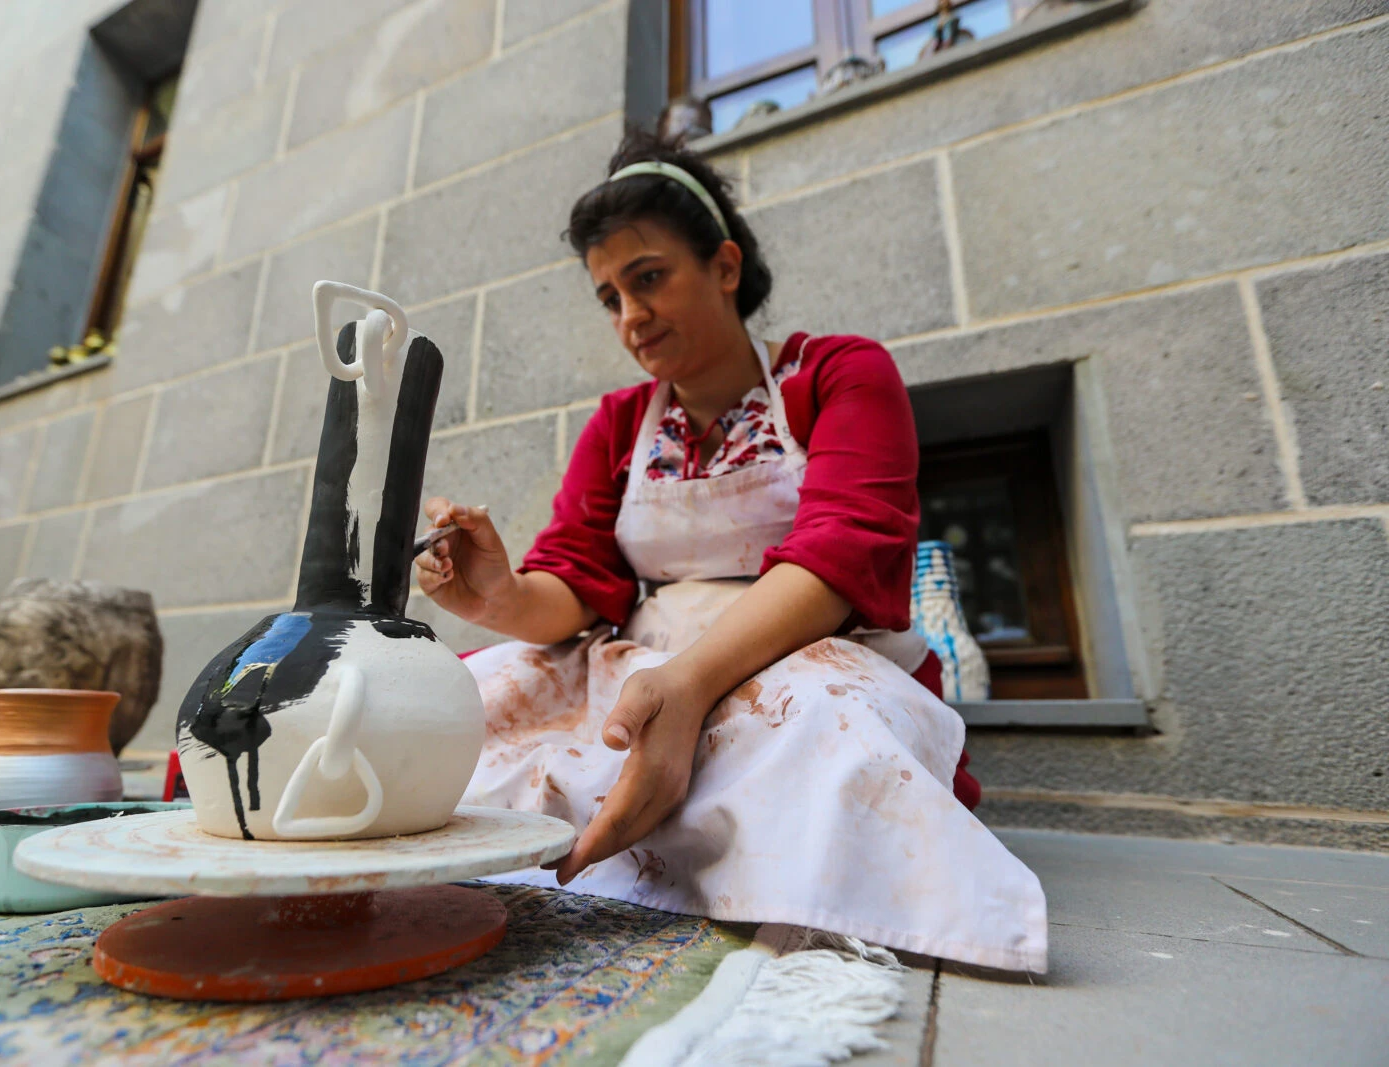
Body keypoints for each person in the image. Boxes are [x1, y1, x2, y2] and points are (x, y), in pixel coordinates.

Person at [417, 130, 1047, 973]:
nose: (630, 316)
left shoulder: (839, 374)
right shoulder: (618, 425)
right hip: (647, 663)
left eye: (648, 278)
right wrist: (497, 596)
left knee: (825, 725)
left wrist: (687, 687)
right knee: (467, 697)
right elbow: (574, 580)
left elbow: (841, 552)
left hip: (799, 646)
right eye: (609, 297)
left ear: (723, 265)